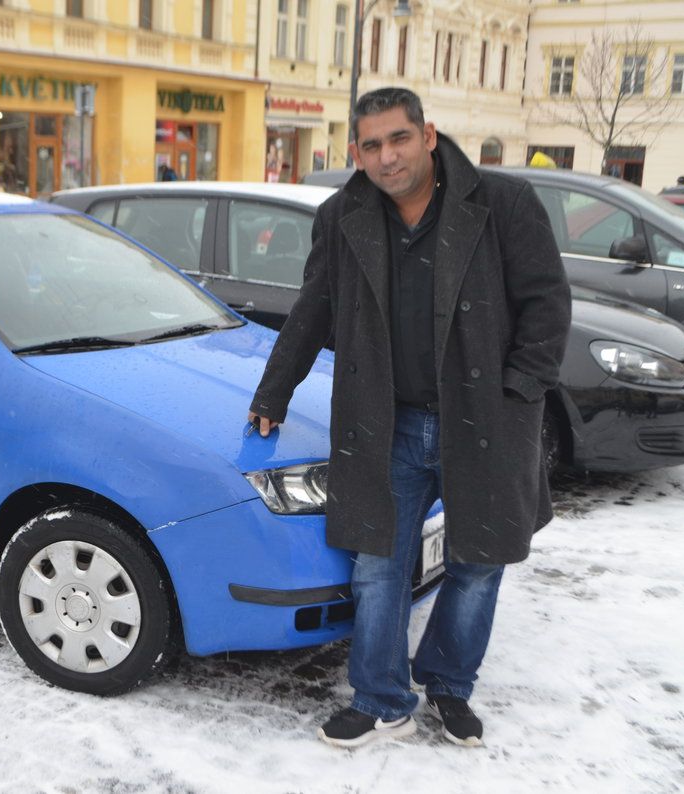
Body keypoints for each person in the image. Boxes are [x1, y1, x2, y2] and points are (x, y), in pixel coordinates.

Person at [247, 87, 570, 748]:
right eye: (371, 145)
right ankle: (380, 696)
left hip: (482, 421)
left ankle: (450, 685)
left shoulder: (502, 204)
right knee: (377, 565)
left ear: (427, 135)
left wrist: (518, 391)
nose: (387, 157)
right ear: (356, 153)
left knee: (478, 562)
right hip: (386, 425)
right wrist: (272, 393)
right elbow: (314, 308)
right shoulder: (343, 216)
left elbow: (546, 304)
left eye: (398, 139)